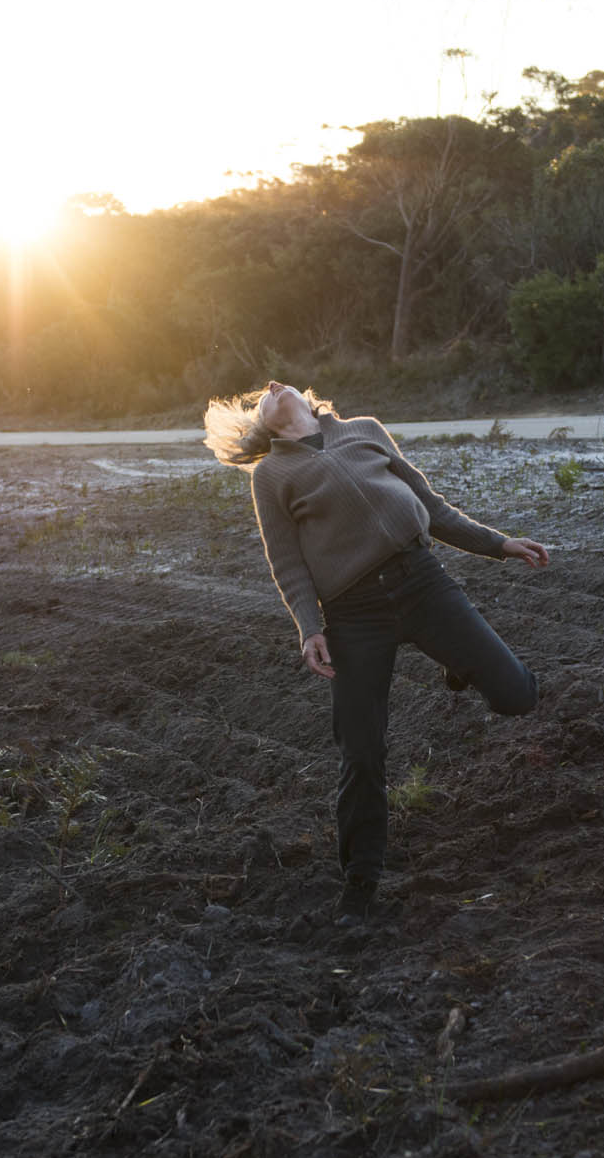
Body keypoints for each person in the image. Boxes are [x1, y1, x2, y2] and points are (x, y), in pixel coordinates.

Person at [204, 381, 548, 924]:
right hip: (353, 615)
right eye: (262, 395)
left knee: (517, 696)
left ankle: (456, 663)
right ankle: (360, 883)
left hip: (423, 583)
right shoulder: (272, 475)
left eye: (280, 382)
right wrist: (309, 628)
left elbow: (432, 507)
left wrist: (499, 543)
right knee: (361, 753)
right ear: (264, 423)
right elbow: (287, 562)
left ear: (308, 399)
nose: (273, 386)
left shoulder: (365, 430)